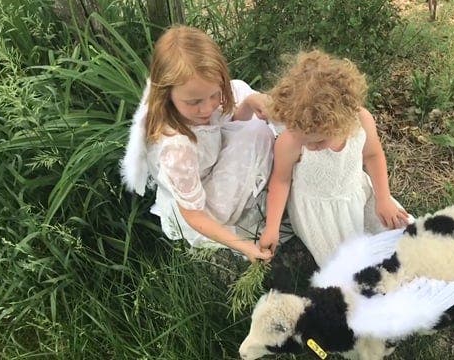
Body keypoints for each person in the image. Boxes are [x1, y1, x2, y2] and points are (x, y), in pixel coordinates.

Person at [121, 26, 274, 262]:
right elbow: (195, 216)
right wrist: (243, 246)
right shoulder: (176, 149)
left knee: (242, 91)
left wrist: (247, 105)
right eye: (194, 102)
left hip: (205, 165)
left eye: (214, 95)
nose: (207, 108)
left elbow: (223, 126)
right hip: (201, 211)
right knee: (258, 132)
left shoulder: (196, 109)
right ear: (167, 95)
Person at [259, 50, 412, 267]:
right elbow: (281, 180)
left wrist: (383, 198)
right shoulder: (290, 141)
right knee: (349, 267)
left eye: (319, 142)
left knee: (405, 234)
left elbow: (372, 154)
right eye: (306, 142)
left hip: (357, 193)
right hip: (320, 214)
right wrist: (272, 227)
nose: (311, 147)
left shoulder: (361, 122)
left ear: (340, 123)